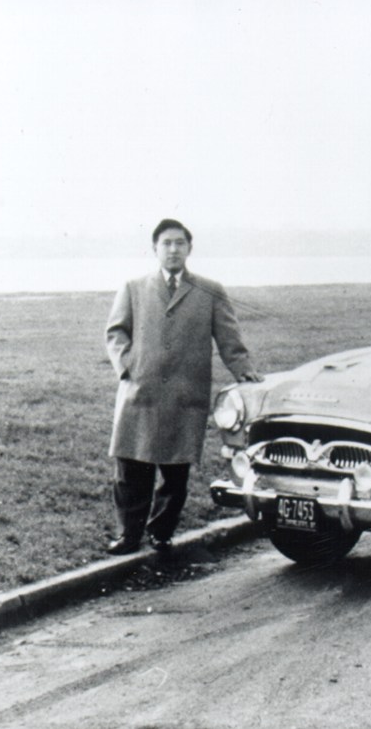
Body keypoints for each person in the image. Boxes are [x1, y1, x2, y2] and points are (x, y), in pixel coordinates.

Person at [104, 219, 262, 555]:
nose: (173, 249)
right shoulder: (134, 288)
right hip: (140, 394)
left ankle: (161, 532)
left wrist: (243, 369)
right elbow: (116, 333)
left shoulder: (209, 291)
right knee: (131, 469)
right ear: (155, 249)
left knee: (175, 474)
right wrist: (128, 367)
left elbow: (229, 338)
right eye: (166, 243)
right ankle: (128, 535)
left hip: (184, 396)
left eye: (179, 243)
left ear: (189, 248)